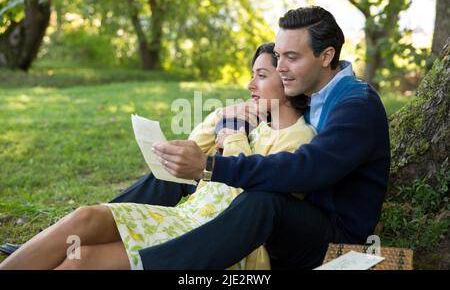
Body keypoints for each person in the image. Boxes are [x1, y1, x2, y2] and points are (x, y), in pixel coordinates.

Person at [109, 5, 390, 270]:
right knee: (179, 173)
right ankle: (107, 219)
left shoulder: (356, 105)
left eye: (292, 57)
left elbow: (307, 167)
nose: (280, 68)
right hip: (295, 213)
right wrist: (217, 138)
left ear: (326, 56)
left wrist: (210, 167)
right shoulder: (309, 93)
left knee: (261, 201)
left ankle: (153, 265)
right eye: (279, 56)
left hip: (335, 241)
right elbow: (247, 120)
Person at [0, 43, 316, 270]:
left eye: (260, 76)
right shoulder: (255, 123)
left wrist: (233, 136)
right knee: (86, 216)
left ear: (288, 80)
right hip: (186, 217)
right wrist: (225, 116)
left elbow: (251, 207)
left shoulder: (300, 139)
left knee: (81, 259)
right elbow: (193, 149)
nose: (249, 85)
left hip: (219, 240)